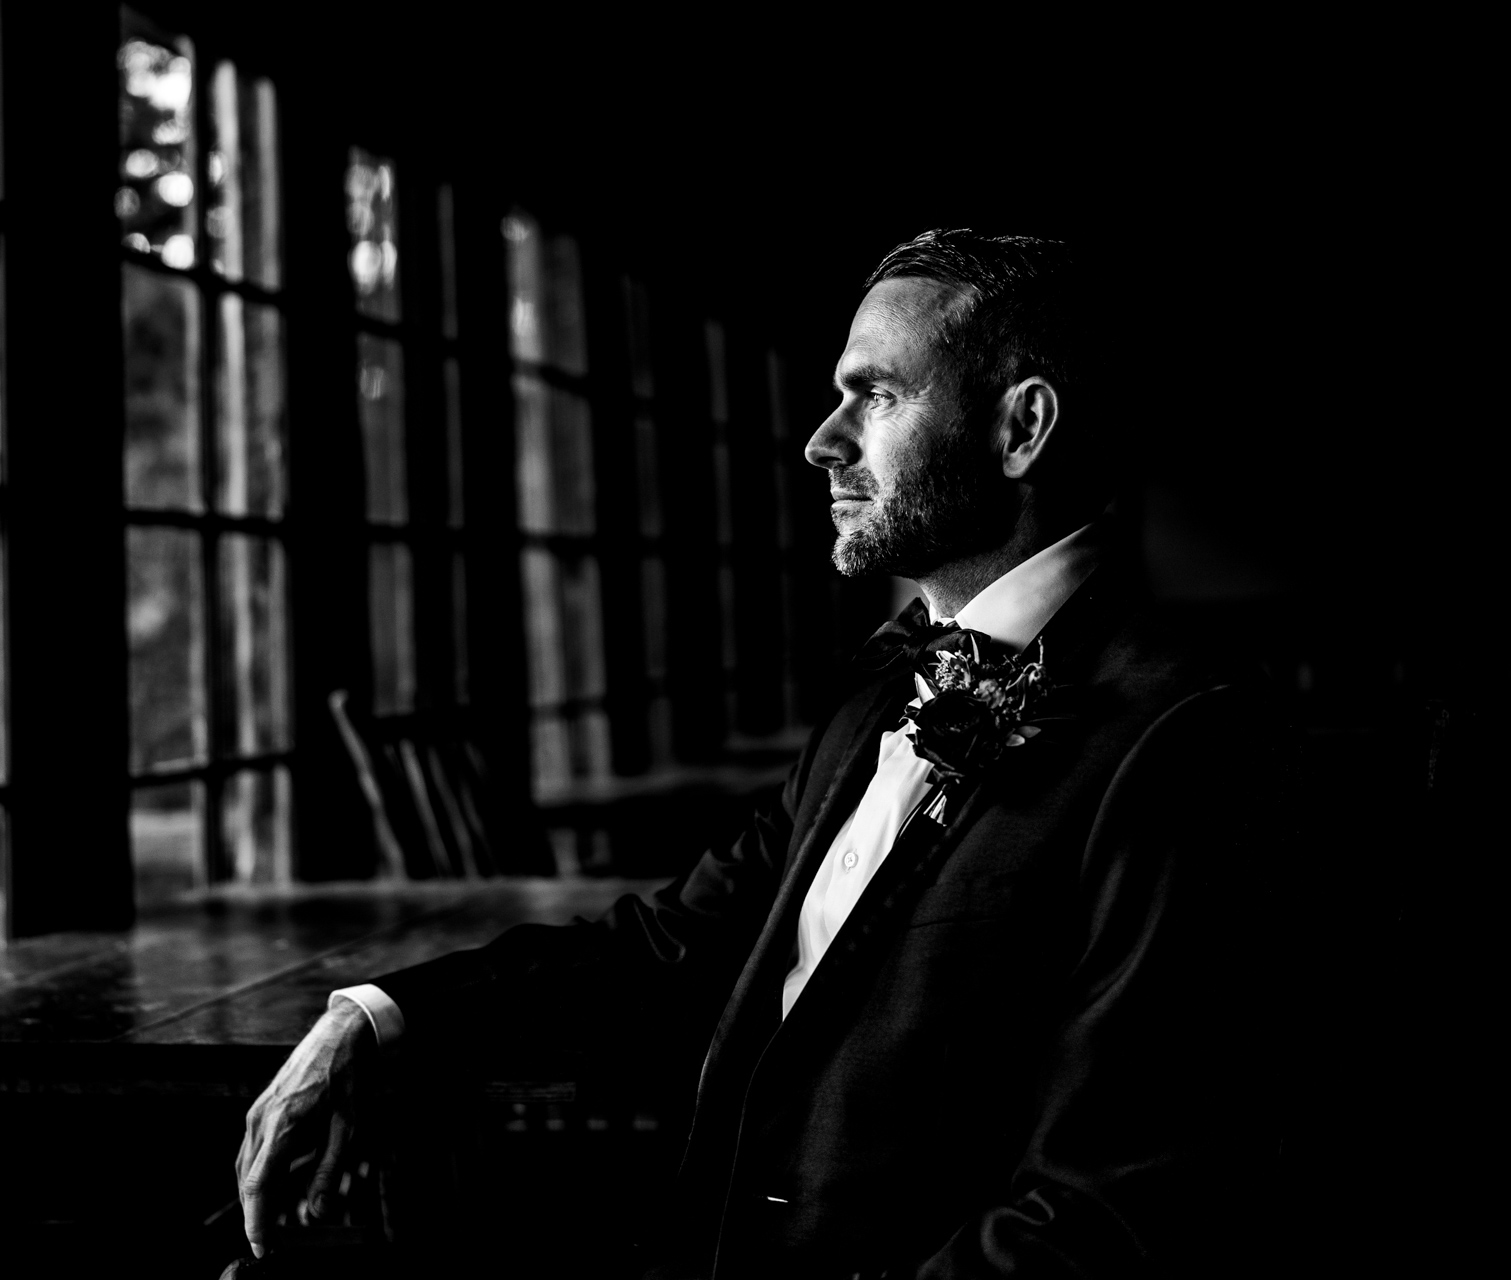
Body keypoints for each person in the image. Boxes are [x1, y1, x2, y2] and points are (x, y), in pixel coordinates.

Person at [233, 228, 1280, 1278]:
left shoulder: (1184, 742)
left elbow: (1107, 1211)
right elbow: (670, 943)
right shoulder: (878, 689)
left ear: (1022, 428)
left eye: (875, 396)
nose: (824, 441)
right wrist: (379, 1016)